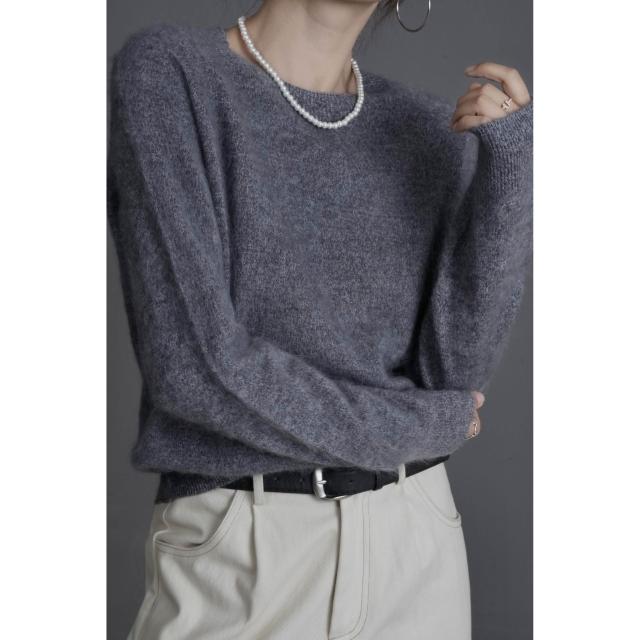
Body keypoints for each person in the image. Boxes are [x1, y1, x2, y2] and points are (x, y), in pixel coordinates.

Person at [107, 0, 532, 637]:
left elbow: (454, 375)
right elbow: (195, 369)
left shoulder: (425, 127)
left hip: (416, 546)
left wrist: (510, 170)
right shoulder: (173, 73)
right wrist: (420, 423)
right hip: (247, 550)